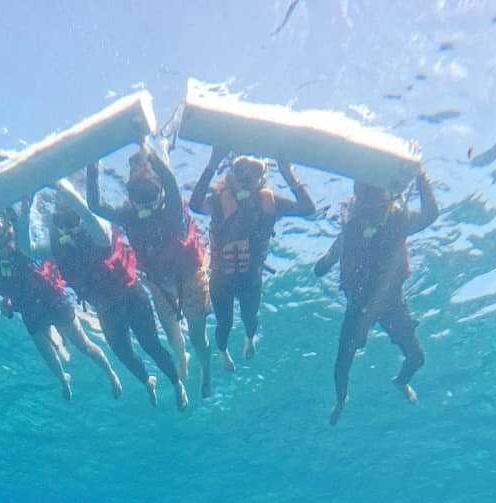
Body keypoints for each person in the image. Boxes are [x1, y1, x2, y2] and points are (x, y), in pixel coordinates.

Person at [42, 181, 188, 410]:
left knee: (150, 345)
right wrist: (25, 209)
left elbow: (89, 216)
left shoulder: (98, 233)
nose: (68, 229)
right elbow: (27, 249)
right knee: (123, 354)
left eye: (72, 221)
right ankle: (147, 381)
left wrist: (65, 190)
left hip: (132, 298)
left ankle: (176, 383)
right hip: (106, 311)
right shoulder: (58, 249)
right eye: (62, 224)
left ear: (80, 218)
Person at [313, 169, 438, 425]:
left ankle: (401, 381)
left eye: (379, 206)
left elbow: (430, 215)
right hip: (358, 308)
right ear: (359, 205)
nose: (374, 213)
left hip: (393, 305)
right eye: (367, 206)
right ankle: (340, 400)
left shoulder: (398, 222)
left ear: (388, 203)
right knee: (341, 366)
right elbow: (321, 267)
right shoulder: (350, 229)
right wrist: (328, 259)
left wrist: (420, 178)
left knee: (417, 358)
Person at [87, 148, 213, 397]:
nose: (143, 202)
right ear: (129, 195)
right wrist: (93, 163)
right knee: (173, 337)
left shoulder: (172, 210)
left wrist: (149, 150)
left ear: (160, 191)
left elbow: (172, 184)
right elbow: (95, 206)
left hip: (189, 279)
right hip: (158, 284)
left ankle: (206, 373)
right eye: (136, 194)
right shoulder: (128, 215)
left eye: (149, 193)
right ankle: (182, 359)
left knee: (198, 336)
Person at [189, 148, 315, 370]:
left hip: (251, 279)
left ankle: (249, 339)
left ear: (263, 177)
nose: (247, 175)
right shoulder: (218, 201)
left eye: (254, 169)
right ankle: (223, 351)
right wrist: (212, 163)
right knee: (224, 324)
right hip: (222, 280)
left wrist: (288, 173)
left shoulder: (271, 201)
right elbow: (194, 204)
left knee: (250, 319)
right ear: (232, 174)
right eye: (241, 169)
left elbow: (308, 209)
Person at [0, 211, 121, 402]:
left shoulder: (23, 237)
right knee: (46, 351)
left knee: (84, 345)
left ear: (5, 226)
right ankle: (63, 378)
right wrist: (1, 304)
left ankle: (110, 372)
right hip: (27, 307)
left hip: (53, 297)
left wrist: (24, 207)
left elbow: (31, 229)